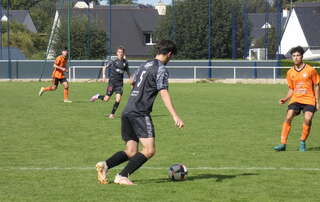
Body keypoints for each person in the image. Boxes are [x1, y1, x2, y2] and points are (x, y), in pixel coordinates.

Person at [95, 40, 184, 185]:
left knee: (131, 151)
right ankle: (122, 176)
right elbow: (163, 92)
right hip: (140, 112)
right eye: (171, 56)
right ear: (169, 54)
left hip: (128, 110)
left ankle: (105, 165)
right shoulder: (161, 69)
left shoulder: (145, 64)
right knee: (149, 150)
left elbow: (131, 81)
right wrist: (175, 115)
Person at [273, 46, 319, 152]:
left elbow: (317, 85)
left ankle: (302, 142)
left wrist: (317, 102)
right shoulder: (290, 73)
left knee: (307, 119)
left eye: (298, 55)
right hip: (296, 99)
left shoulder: (310, 70)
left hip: (309, 99)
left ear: (302, 56)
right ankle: (283, 144)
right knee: (288, 117)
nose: (296, 58)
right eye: (294, 56)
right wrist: (285, 99)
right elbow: (291, 89)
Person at [90, 46, 130, 119]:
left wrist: (131, 79)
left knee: (118, 99)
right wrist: (104, 76)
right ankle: (97, 96)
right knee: (106, 99)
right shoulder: (113, 61)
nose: (120, 53)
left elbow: (128, 72)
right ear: (117, 53)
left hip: (119, 84)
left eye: (122, 52)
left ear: (123, 53)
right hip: (112, 83)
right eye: (119, 52)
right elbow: (104, 67)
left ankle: (112, 114)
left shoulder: (125, 63)